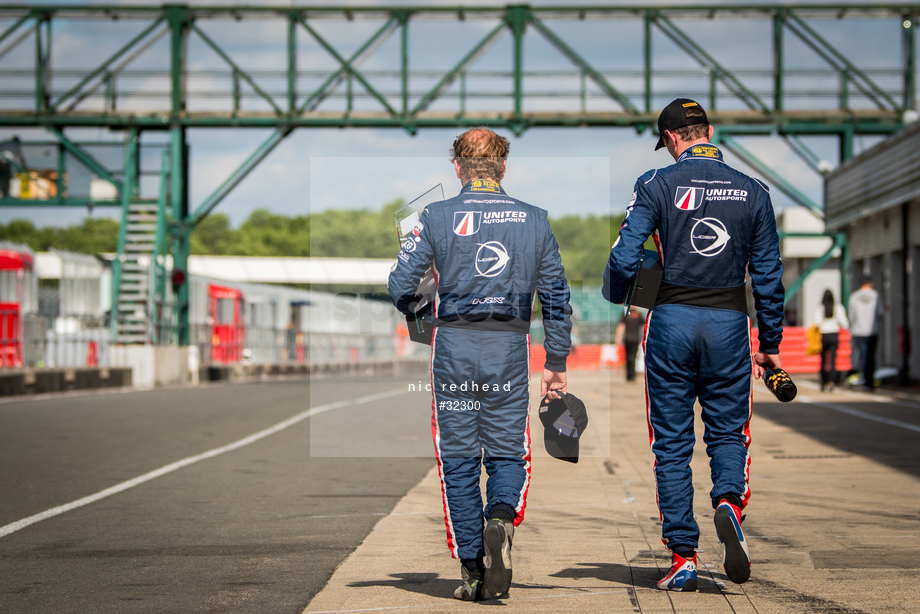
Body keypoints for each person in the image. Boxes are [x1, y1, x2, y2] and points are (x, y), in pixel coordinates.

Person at [602, 99, 784, 592]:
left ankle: (683, 556)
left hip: (672, 322)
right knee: (729, 433)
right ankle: (728, 503)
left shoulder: (655, 184)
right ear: (707, 131)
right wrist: (770, 344)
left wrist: (623, 297)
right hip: (729, 322)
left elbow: (624, 257)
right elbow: (768, 276)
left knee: (673, 445)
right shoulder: (754, 192)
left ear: (672, 139)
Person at [388, 128, 572, 601]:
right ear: (503, 168)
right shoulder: (535, 220)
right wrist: (555, 360)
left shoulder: (434, 216)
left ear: (457, 168)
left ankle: (471, 570)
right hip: (509, 346)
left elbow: (399, 289)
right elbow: (555, 296)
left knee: (459, 459)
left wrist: (424, 300)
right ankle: (501, 518)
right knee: (510, 451)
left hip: (453, 347)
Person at [848, 277, 884, 391]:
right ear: (871, 283)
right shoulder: (876, 295)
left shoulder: (854, 297)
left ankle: (865, 379)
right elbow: (881, 312)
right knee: (871, 356)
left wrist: (854, 326)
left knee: (863, 356)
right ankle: (870, 381)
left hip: (858, 331)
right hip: (872, 330)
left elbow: (851, 315)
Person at [814, 289, 849, 392]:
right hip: (834, 335)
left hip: (823, 335)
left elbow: (817, 323)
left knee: (823, 360)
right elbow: (844, 323)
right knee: (833, 360)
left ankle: (823, 381)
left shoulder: (820, 308)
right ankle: (832, 382)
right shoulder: (838, 307)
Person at [615, 308, 645, 381]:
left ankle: (630, 374)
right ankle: (631, 374)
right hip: (631, 339)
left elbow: (643, 326)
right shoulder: (637, 314)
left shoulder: (630, 313)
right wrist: (618, 337)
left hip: (632, 339)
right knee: (632, 357)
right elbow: (622, 326)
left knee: (630, 357)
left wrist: (618, 337)